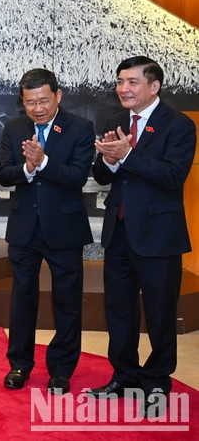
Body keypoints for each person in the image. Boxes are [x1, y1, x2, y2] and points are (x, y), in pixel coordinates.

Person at [89, 56, 196, 417]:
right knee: (118, 310)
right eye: (121, 81)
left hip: (158, 236)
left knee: (160, 313)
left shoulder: (178, 126)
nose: (124, 88)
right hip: (118, 233)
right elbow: (103, 177)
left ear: (154, 86)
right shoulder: (116, 121)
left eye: (133, 82)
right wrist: (107, 160)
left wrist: (128, 154)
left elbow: (172, 177)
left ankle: (156, 382)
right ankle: (123, 376)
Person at [0, 68, 95, 394]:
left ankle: (62, 369)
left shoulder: (80, 128)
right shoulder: (14, 128)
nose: (37, 108)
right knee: (22, 299)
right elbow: (4, 173)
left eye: (43, 100)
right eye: (29, 102)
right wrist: (27, 167)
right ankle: (19, 365)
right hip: (24, 228)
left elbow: (78, 176)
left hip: (64, 228)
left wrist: (44, 162)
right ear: (22, 102)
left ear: (58, 96)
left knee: (67, 301)